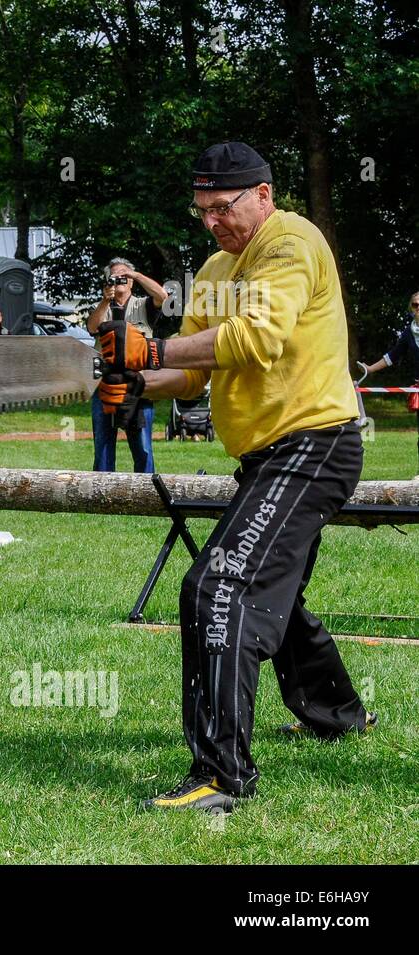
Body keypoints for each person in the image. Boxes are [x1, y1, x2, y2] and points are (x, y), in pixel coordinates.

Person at [99, 142, 374, 814]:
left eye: (224, 207)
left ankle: (222, 776)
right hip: (270, 455)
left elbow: (256, 339)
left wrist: (151, 348)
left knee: (220, 586)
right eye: (203, 211)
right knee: (271, 592)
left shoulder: (291, 244)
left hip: (313, 445)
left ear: (263, 194)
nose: (214, 221)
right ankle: (337, 713)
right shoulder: (218, 266)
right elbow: (195, 372)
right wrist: (137, 382)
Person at [86, 259, 167, 472]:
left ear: (131, 282)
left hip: (137, 385)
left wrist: (137, 275)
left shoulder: (143, 306)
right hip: (105, 385)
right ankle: (102, 493)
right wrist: (105, 301)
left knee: (142, 447)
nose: (120, 280)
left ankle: (145, 494)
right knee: (103, 444)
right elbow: (92, 327)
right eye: (115, 276)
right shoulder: (102, 307)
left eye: (124, 276)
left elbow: (162, 296)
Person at [356, 291, 419, 476]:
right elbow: (393, 356)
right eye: (415, 305)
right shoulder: (409, 332)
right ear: (411, 308)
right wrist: (370, 368)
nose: (418, 308)